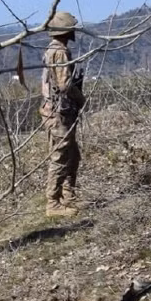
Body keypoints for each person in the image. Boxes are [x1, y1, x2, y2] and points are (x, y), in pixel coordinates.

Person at [41, 11, 86, 218]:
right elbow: (64, 85)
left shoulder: (54, 50)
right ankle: (53, 202)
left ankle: (68, 195)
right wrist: (81, 98)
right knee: (60, 155)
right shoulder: (59, 52)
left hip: (59, 111)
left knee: (72, 155)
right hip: (59, 112)